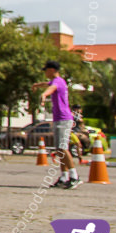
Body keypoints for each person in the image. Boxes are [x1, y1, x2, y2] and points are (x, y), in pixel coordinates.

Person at [32, 60, 81, 189]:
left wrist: (44, 95)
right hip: (60, 119)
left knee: (63, 148)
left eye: (46, 70)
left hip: (64, 119)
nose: (45, 73)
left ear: (52, 70)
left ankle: (74, 176)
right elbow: (47, 84)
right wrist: (37, 85)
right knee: (60, 150)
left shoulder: (57, 82)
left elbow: (50, 88)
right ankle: (64, 177)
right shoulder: (58, 81)